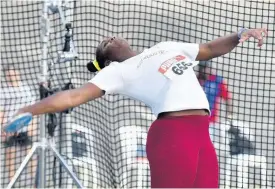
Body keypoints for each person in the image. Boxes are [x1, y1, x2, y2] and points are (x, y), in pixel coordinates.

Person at [10, 28, 267, 188]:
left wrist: (239, 35)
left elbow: (209, 48)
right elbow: (73, 96)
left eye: (109, 37)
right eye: (104, 46)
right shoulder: (118, 72)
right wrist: (30, 109)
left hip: (201, 134)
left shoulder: (165, 47)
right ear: (106, 60)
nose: (108, 38)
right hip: (172, 134)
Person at [0, 65, 38, 182]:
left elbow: (32, 109)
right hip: (9, 129)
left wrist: (33, 126)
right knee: (10, 156)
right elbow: (1, 111)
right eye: (9, 75)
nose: (11, 77)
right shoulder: (3, 91)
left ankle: (35, 182)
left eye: (13, 74)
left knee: (30, 155)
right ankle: (11, 182)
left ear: (17, 73)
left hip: (24, 128)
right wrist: (2, 129)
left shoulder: (26, 90)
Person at [197, 61, 233, 142]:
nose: (202, 71)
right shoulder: (196, 79)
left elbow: (227, 98)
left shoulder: (217, 81)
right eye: (201, 68)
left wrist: (230, 116)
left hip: (211, 122)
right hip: (196, 122)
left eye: (205, 68)